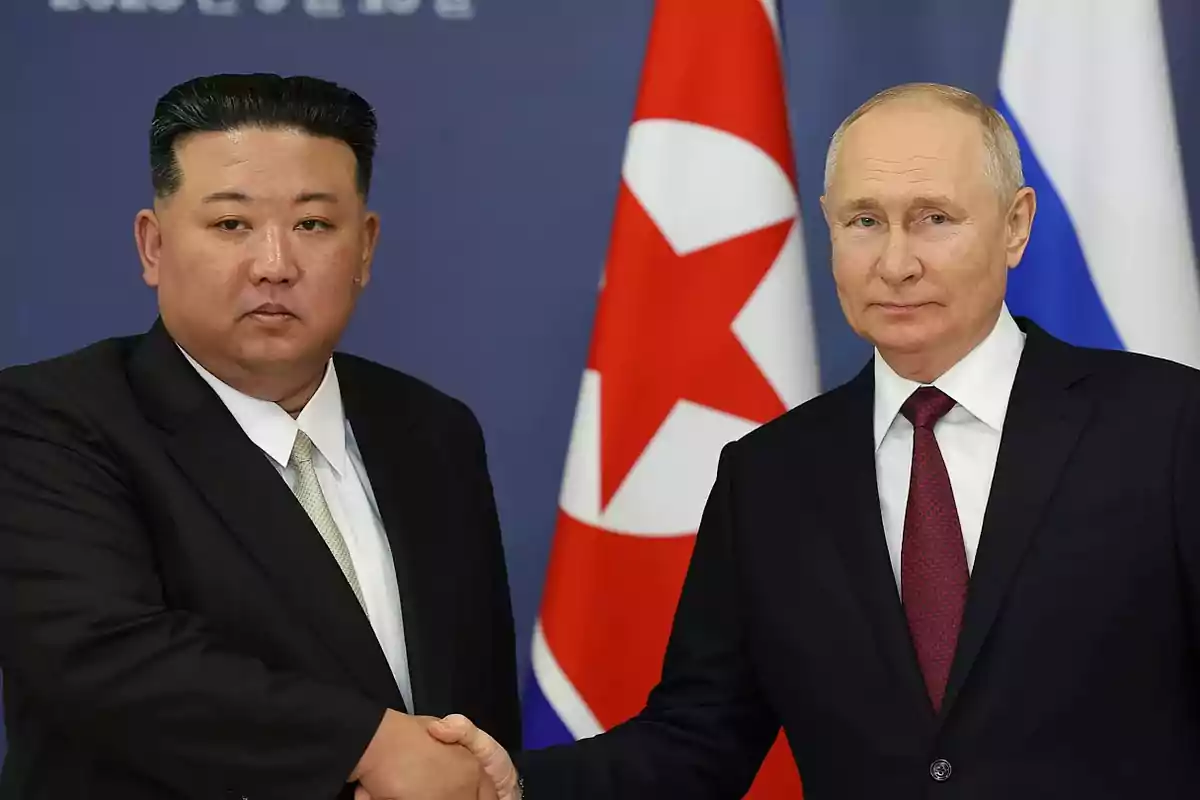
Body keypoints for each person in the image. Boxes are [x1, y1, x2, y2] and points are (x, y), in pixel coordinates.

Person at [427, 82, 1200, 798]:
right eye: (864, 221)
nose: (896, 262)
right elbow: (698, 741)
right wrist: (515, 783)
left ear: (1016, 225)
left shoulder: (1167, 425)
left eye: (934, 217)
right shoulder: (767, 477)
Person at [0, 73, 520, 799]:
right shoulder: (46, 419)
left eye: (313, 225)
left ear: (365, 248)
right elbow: (103, 656)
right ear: (152, 247)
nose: (274, 264)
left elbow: (474, 705)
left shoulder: (432, 430)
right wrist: (370, 746)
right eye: (230, 225)